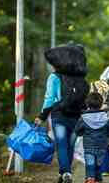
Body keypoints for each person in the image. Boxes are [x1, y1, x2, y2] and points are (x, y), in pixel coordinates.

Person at [35, 44, 89, 183]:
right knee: (70, 145)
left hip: (60, 115)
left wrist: (42, 116)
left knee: (61, 145)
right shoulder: (82, 79)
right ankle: (65, 173)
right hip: (77, 116)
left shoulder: (54, 77)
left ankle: (66, 172)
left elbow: (49, 98)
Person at [75, 93, 109, 183]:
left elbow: (77, 131)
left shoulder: (83, 117)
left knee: (90, 164)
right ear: (101, 104)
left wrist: (83, 132)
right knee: (98, 166)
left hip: (88, 146)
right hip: (102, 146)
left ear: (87, 104)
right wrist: (107, 135)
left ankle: (90, 178)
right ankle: (97, 180)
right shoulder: (106, 117)